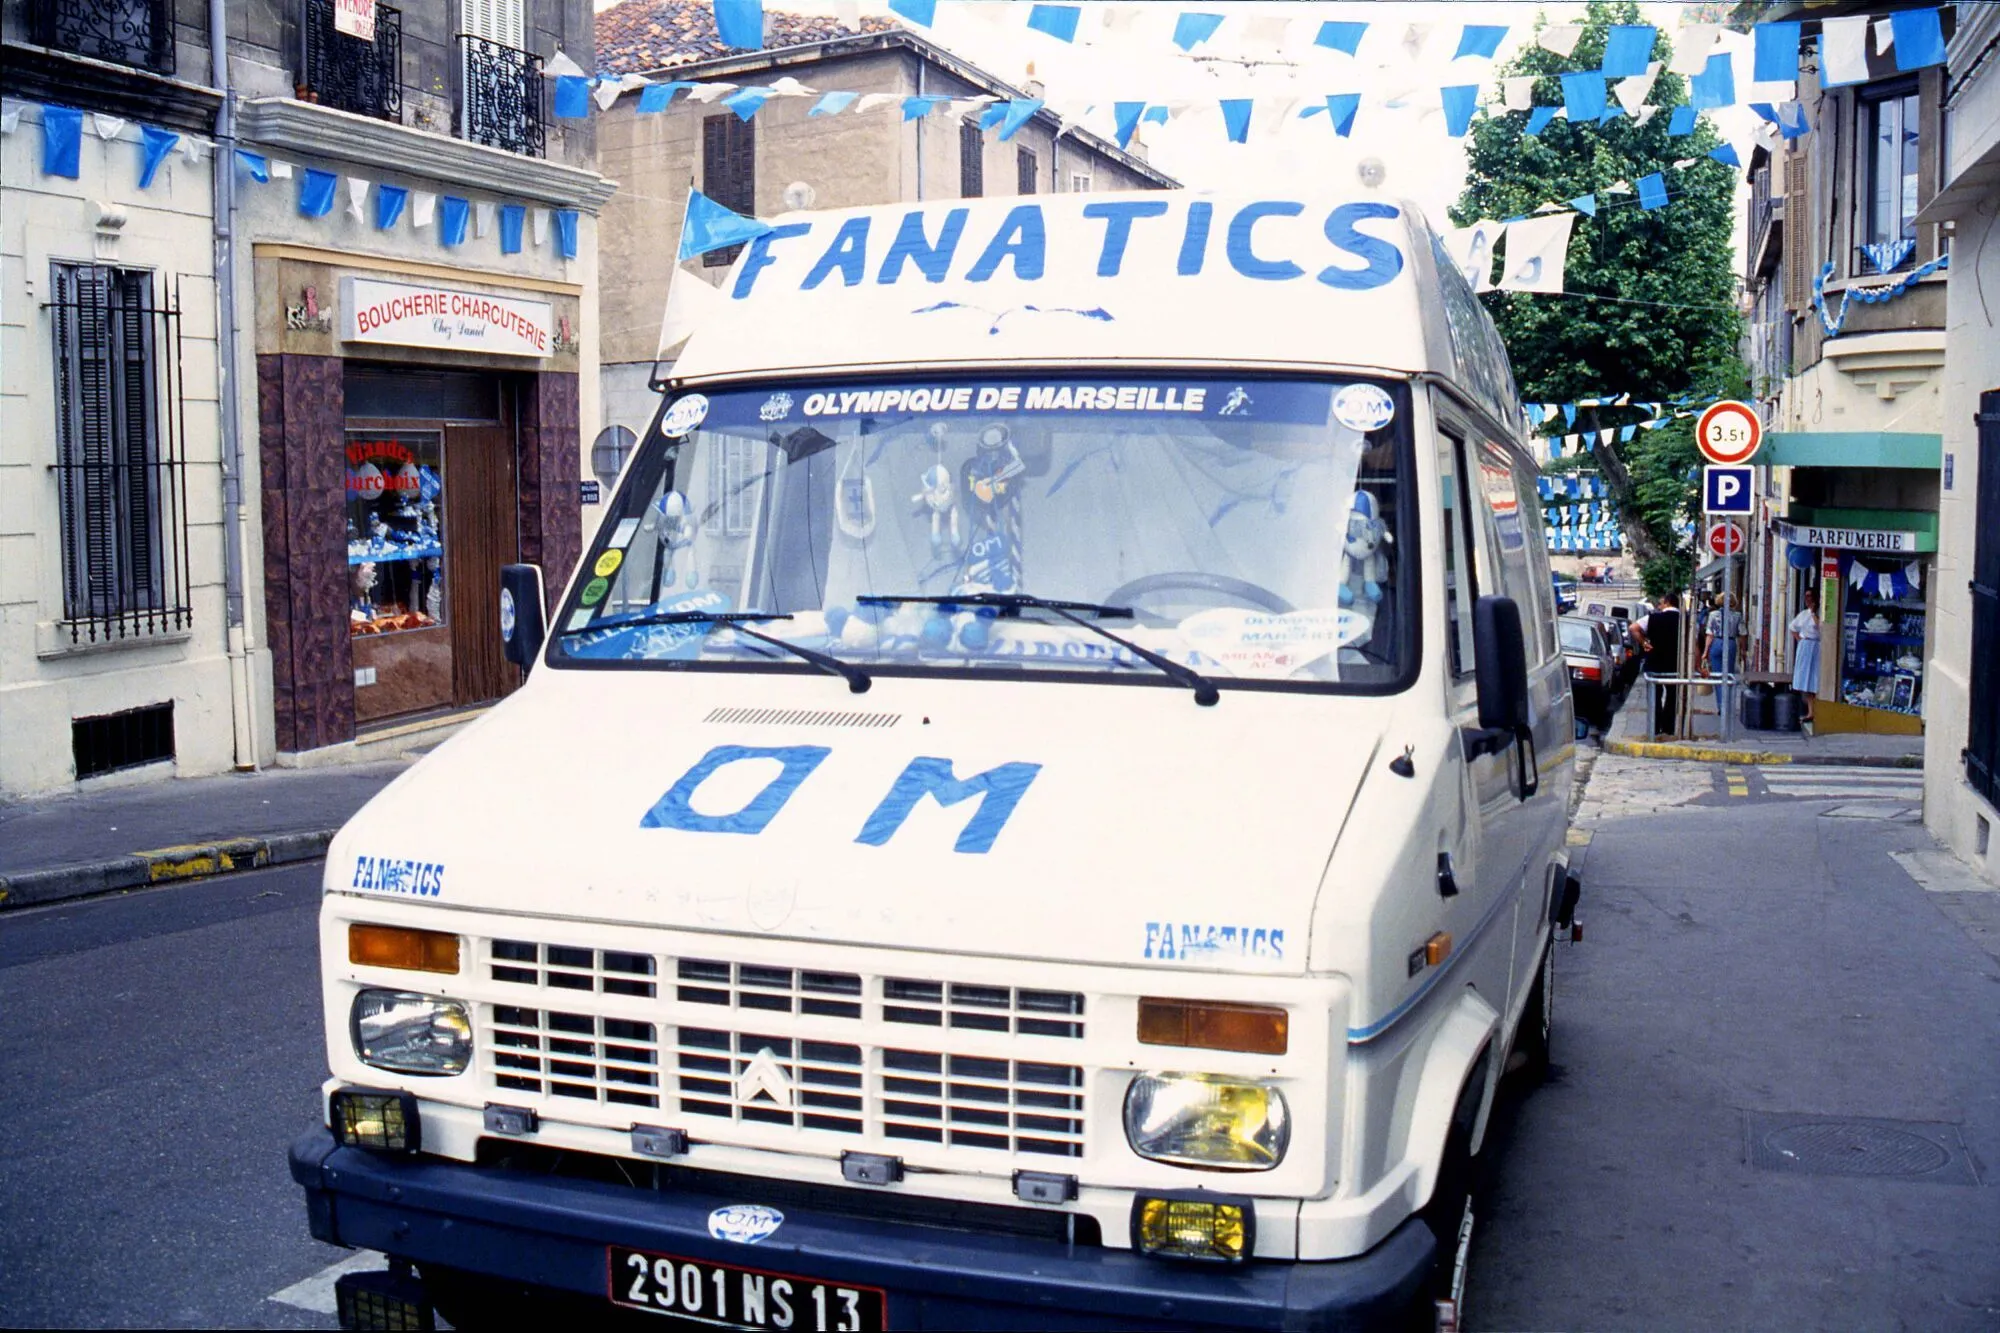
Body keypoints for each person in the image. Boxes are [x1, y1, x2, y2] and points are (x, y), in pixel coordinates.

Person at [1631, 591, 1684, 738]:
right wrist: (1698, 665)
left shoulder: (1652, 618)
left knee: (1655, 694)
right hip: (1676, 663)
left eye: (1661, 603)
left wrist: (1644, 643)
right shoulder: (1685, 620)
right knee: (1672, 696)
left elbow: (1633, 628)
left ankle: (1655, 728)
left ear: (1667, 603)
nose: (1659, 607)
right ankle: (1668, 728)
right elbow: (1695, 648)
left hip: (1655, 661)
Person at [1702, 591, 1746, 725]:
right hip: (1731, 643)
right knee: (1728, 675)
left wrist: (1705, 651)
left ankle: (1721, 706)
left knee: (1717, 676)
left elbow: (1709, 634)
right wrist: (1743, 650)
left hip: (1716, 642)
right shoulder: (1738, 615)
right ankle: (1728, 705)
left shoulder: (1713, 615)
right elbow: (1742, 634)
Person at [1789, 588, 1820, 725]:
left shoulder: (1818, 614)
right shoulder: (1802, 614)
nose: (1807, 599)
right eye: (1806, 596)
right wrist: (1799, 640)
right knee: (1805, 679)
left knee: (1815, 677)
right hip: (1805, 646)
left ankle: (1818, 710)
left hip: (1817, 647)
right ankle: (1810, 711)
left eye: (1810, 596)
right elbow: (1792, 627)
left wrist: (1814, 613)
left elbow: (1820, 627)